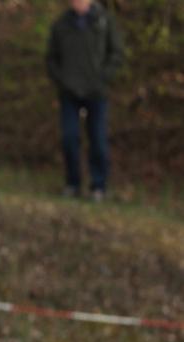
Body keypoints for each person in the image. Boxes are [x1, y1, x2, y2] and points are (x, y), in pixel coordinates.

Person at [46, 0, 124, 202]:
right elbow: (51, 59)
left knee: (98, 139)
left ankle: (98, 186)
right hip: (69, 93)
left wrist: (102, 77)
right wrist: (62, 80)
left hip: (96, 93)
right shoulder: (61, 24)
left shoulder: (104, 21)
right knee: (69, 139)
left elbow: (116, 53)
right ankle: (72, 184)